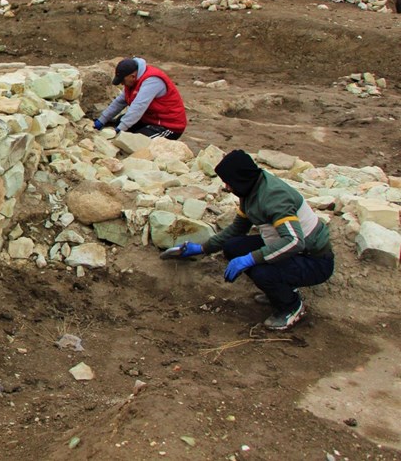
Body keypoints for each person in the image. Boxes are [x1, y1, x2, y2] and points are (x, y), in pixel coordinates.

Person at [170, 149, 334, 331]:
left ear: (240, 179)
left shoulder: (274, 198)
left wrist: (251, 259)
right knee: (233, 247)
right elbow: (238, 229)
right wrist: (203, 248)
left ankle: (292, 307)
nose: (226, 187)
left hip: (314, 259)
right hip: (289, 249)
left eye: (228, 182)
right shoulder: (250, 191)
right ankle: (280, 291)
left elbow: (294, 241)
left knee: (261, 272)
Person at [93, 57, 187, 139]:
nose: (122, 84)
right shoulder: (132, 81)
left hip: (168, 125)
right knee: (120, 121)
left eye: (123, 81)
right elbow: (120, 102)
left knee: (138, 141)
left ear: (132, 76)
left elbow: (138, 107)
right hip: (149, 119)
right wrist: (101, 120)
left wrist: (119, 130)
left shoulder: (152, 81)